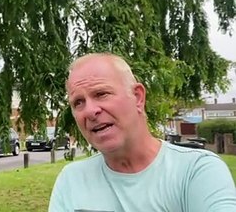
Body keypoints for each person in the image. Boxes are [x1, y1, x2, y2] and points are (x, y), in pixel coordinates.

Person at [48, 53, 236, 212]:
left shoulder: (196, 171)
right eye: (78, 102)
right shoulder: (71, 180)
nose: (89, 111)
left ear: (137, 97)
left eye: (101, 94)